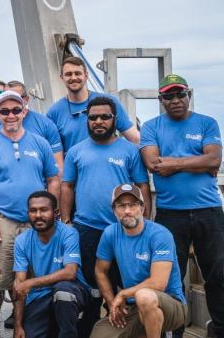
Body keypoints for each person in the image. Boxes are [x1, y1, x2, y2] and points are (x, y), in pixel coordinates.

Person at [139, 74, 224, 338]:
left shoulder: (206, 123)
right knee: (171, 279)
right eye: (168, 96)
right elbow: (153, 164)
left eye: (180, 94)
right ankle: (174, 333)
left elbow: (214, 160)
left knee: (217, 277)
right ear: (161, 100)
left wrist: (173, 163)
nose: (175, 100)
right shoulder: (151, 127)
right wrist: (196, 161)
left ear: (188, 95)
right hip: (170, 216)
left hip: (208, 212)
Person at [61, 96, 150, 335]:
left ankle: (131, 329)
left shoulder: (130, 150)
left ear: (115, 120)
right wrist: (67, 222)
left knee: (127, 282)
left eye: (105, 117)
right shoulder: (76, 152)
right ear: (87, 121)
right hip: (86, 230)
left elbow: (142, 186)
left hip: (124, 229)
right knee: (91, 288)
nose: (98, 121)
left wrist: (145, 222)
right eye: (93, 117)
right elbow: (67, 186)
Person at [0, 90, 60, 334]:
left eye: (15, 110)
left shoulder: (39, 143)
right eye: (4, 111)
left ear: (24, 111)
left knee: (32, 277)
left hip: (37, 223)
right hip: (5, 220)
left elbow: (53, 179)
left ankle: (26, 325)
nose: (10, 115)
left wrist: (55, 212)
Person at [90, 184, 188, 338]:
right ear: (114, 211)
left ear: (142, 208)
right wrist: (111, 303)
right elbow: (100, 271)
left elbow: (158, 283)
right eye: (121, 206)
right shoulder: (110, 234)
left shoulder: (160, 234)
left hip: (170, 303)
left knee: (145, 297)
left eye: (133, 205)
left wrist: (122, 295)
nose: (127, 211)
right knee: (98, 334)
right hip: (133, 307)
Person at [12, 191, 90, 338]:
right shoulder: (21, 241)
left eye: (44, 210)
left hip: (72, 289)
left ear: (56, 212)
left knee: (63, 292)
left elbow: (70, 272)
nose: (38, 215)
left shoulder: (69, 233)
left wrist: (31, 282)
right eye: (33, 210)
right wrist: (18, 326)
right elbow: (20, 286)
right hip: (40, 295)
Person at [46, 58, 138, 150]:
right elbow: (52, 151)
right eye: (68, 74)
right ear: (61, 77)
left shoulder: (109, 103)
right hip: (74, 163)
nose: (73, 78)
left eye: (78, 73)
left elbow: (135, 139)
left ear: (86, 75)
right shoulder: (54, 112)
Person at [4, 80, 64, 171]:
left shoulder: (46, 125)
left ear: (26, 99)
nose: (12, 102)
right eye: (7, 99)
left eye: (17, 98)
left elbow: (58, 167)